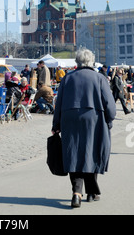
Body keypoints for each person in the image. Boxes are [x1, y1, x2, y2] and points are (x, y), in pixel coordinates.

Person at [52, 49, 116, 208]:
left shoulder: (67, 78)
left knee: (73, 153)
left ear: (77, 62)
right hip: (93, 119)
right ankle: (91, 192)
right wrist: (109, 120)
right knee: (91, 153)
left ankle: (77, 193)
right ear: (91, 62)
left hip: (69, 118)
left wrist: (56, 124)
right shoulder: (100, 78)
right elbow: (111, 106)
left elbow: (58, 104)